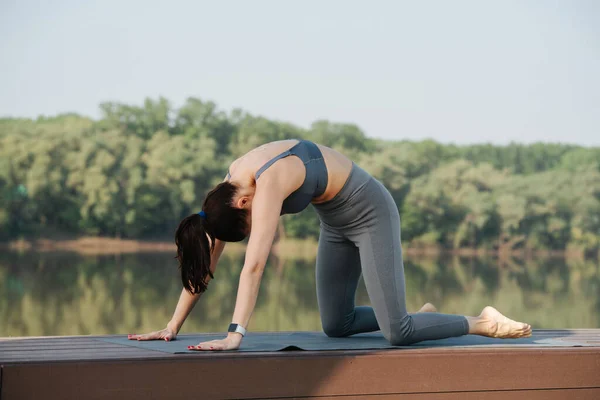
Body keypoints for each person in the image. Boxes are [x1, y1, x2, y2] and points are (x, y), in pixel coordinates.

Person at [128, 139, 531, 350]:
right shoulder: (226, 193)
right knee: (335, 326)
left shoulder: (269, 180)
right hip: (335, 223)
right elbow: (208, 261)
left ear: (246, 204)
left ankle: (482, 321)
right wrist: (172, 326)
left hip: (371, 212)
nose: (255, 225)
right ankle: (413, 314)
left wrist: (235, 335)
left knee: (399, 334)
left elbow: (253, 267)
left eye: (248, 224)